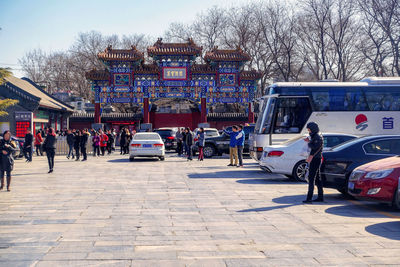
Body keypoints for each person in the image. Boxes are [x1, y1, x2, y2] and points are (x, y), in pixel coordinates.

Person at [303, 122, 324, 203]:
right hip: (316, 158)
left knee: (311, 178)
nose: (308, 131)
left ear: (313, 129)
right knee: (317, 179)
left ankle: (309, 198)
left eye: (309, 129)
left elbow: (314, 147)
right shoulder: (315, 135)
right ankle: (320, 197)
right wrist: (309, 140)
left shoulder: (317, 137)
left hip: (315, 159)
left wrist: (309, 142)